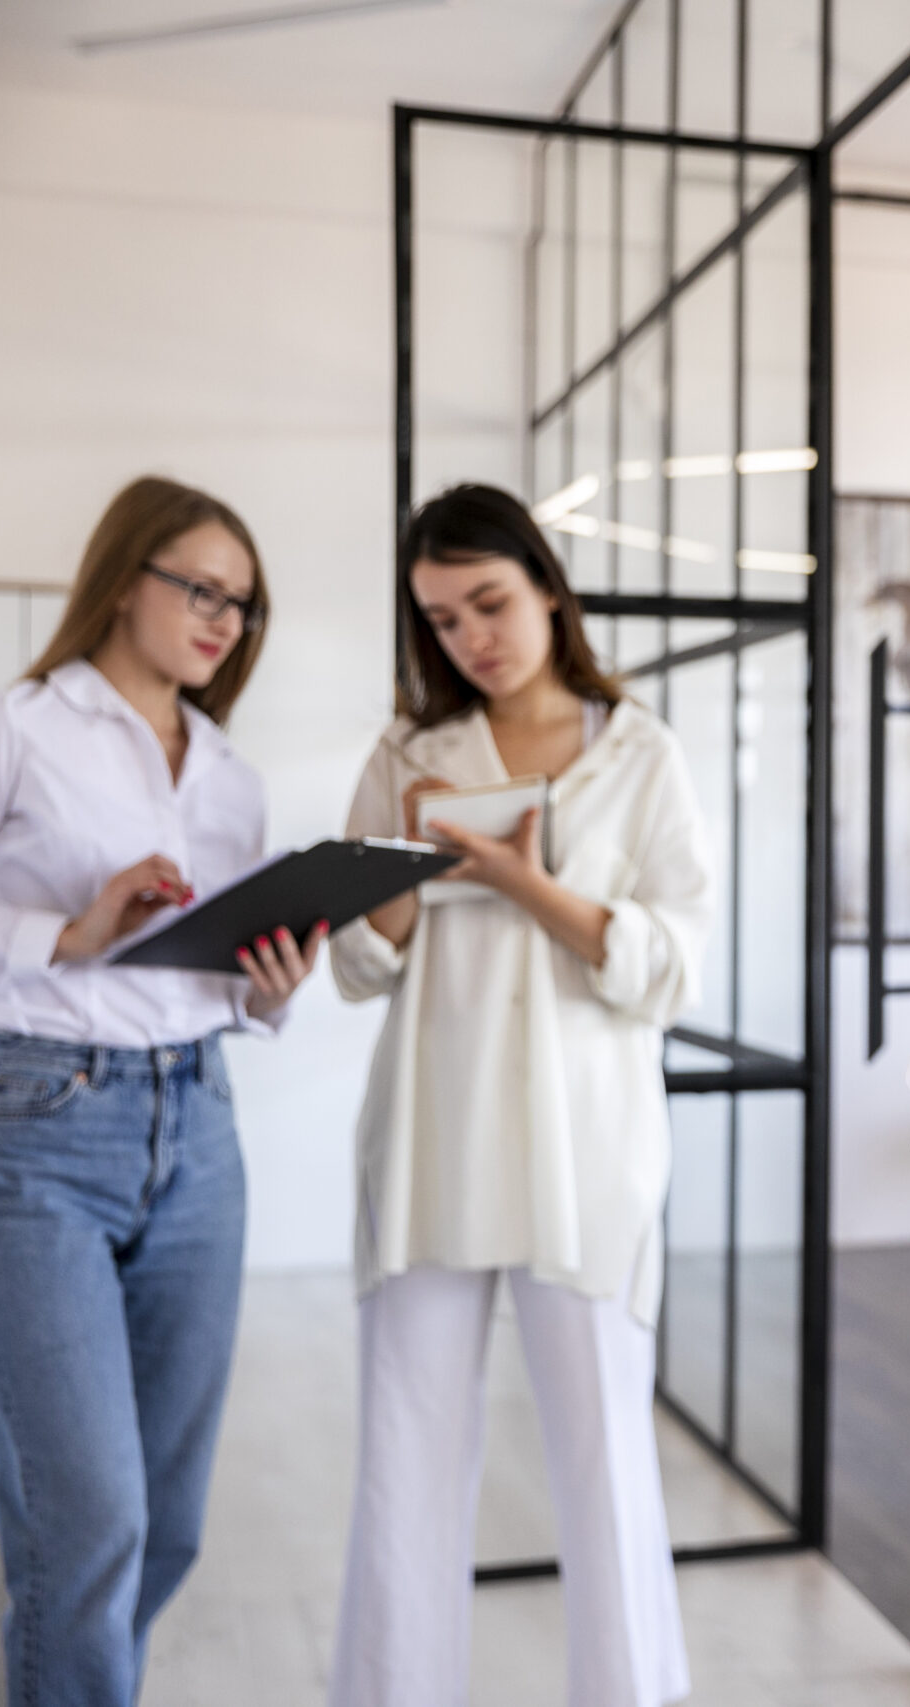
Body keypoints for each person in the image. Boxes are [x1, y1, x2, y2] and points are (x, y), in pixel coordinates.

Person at [0, 476, 320, 1706]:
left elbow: (220, 976)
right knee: (88, 1518)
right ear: (123, 575)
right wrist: (68, 934)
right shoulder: (12, 725)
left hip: (200, 1130)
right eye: (201, 587)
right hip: (44, 1135)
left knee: (168, 1519)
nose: (223, 620)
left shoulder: (229, 776)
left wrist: (271, 984)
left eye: (243, 605)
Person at [324, 485, 708, 1707]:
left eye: (489, 602)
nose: (471, 637)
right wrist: (404, 868)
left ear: (547, 586)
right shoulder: (406, 758)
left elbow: (673, 966)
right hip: (433, 1143)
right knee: (405, 1464)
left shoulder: (642, 754)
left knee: (604, 1470)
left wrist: (520, 880)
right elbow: (355, 959)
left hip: (580, 1156)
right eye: (441, 621)